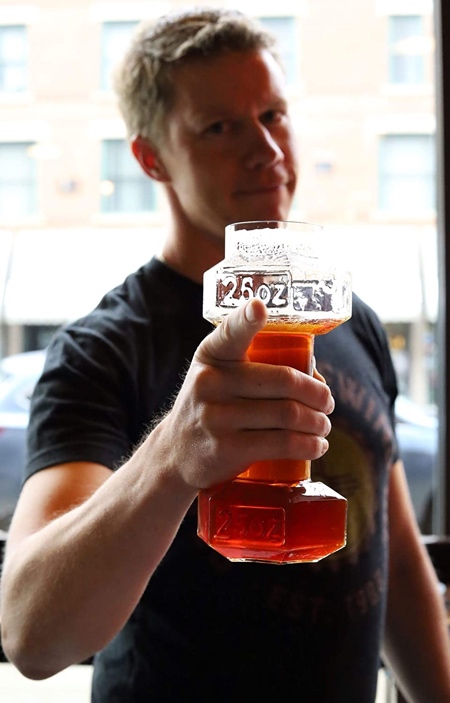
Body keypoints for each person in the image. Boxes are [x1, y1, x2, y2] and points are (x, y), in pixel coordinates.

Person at [1, 7, 450, 702]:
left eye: (273, 114)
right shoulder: (101, 349)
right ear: (151, 158)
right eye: (221, 126)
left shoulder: (347, 319)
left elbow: (389, 556)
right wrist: (173, 455)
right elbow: (31, 633)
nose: (267, 150)